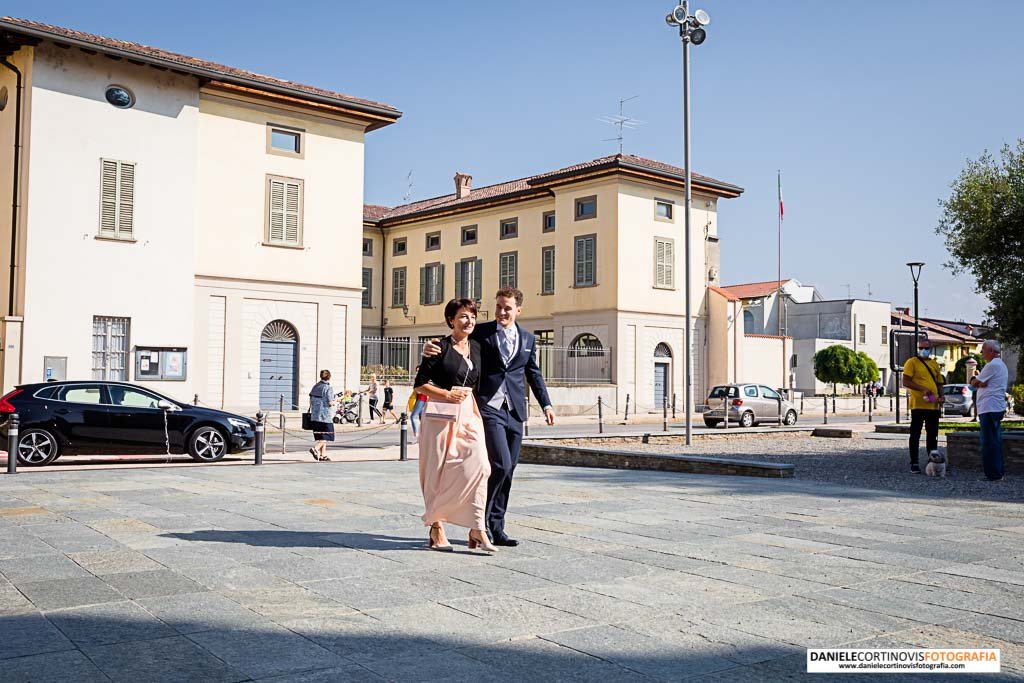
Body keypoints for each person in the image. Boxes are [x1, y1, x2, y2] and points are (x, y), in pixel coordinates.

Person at [425, 288, 554, 547]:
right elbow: (457, 335)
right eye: (498, 307)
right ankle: (479, 524)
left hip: (515, 410)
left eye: (507, 308)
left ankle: (496, 528)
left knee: (509, 470)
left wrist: (547, 404)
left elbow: (534, 374)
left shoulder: (528, 339)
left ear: (518, 310)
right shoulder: (482, 331)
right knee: (500, 465)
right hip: (488, 408)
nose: (501, 312)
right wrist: (432, 346)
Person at [413, 298, 496, 553]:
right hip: (440, 413)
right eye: (462, 316)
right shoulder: (438, 347)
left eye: (472, 316)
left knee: (480, 466)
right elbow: (419, 384)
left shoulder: (478, 347)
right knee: (436, 470)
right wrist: (447, 395)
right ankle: (436, 526)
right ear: (451, 320)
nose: (468, 321)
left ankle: (476, 526)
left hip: (468, 411)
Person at [902, 338, 944, 474]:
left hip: (933, 405)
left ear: (930, 349)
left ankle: (932, 462)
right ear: (917, 348)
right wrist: (923, 389)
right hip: (918, 405)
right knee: (915, 434)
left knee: (932, 435)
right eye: (921, 348)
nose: (923, 350)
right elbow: (906, 381)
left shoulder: (934, 364)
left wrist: (941, 396)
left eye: (926, 348)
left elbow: (939, 382)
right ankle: (914, 462)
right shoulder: (911, 362)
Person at [970, 340, 1008, 481]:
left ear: (992, 351)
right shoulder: (1000, 365)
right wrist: (979, 382)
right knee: (995, 440)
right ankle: (997, 472)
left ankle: (993, 474)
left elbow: (975, 383)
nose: (982, 353)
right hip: (995, 406)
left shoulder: (992, 366)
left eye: (983, 349)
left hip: (989, 407)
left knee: (988, 442)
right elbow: (981, 383)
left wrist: (975, 379)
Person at [308, 369, 336, 462]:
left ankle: (323, 455)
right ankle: (315, 449)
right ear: (329, 377)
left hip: (315, 415)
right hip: (325, 416)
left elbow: (310, 400)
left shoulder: (315, 386)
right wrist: (336, 401)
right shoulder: (328, 388)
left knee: (320, 436)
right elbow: (330, 402)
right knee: (328, 435)